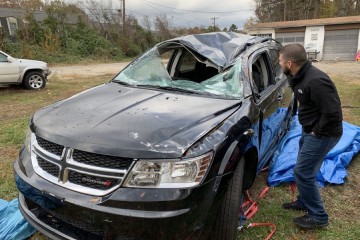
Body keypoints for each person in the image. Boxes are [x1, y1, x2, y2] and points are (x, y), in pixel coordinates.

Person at [278, 43, 343, 230]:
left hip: (323, 134)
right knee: (304, 168)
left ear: (289, 63)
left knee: (303, 173)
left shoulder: (316, 80)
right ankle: (304, 201)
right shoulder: (296, 75)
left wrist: (316, 132)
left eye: (281, 61)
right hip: (309, 130)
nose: (279, 63)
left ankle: (319, 216)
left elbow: (332, 113)